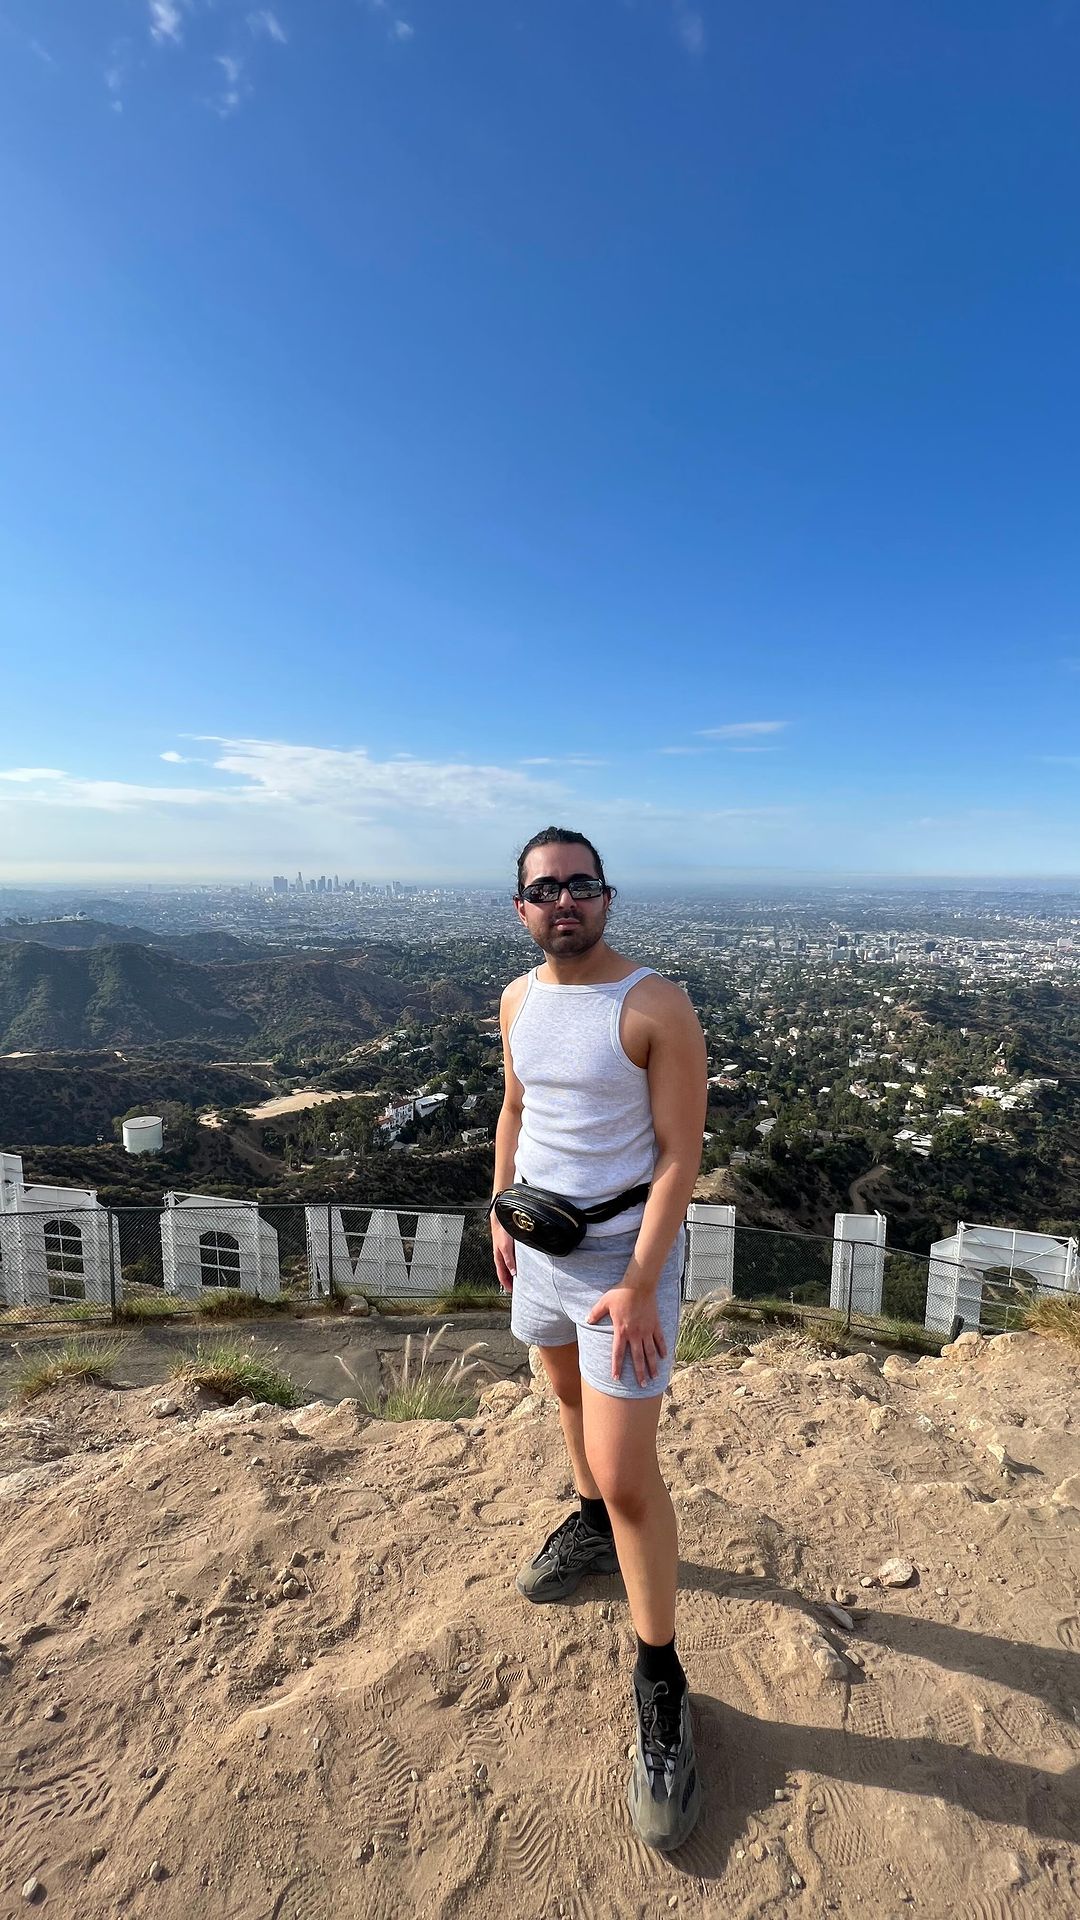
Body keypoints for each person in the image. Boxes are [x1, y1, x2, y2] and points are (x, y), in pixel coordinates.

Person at [490, 825, 708, 1853]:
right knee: (566, 1397)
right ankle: (586, 1529)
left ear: (607, 898)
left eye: (581, 885)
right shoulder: (518, 1000)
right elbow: (516, 1106)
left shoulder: (653, 1005)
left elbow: (678, 1158)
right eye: (545, 889)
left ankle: (660, 1677)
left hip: (625, 1261)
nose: (564, 901)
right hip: (539, 1244)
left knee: (629, 1474)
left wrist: (639, 1283)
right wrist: (499, 1208)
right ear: (522, 908)